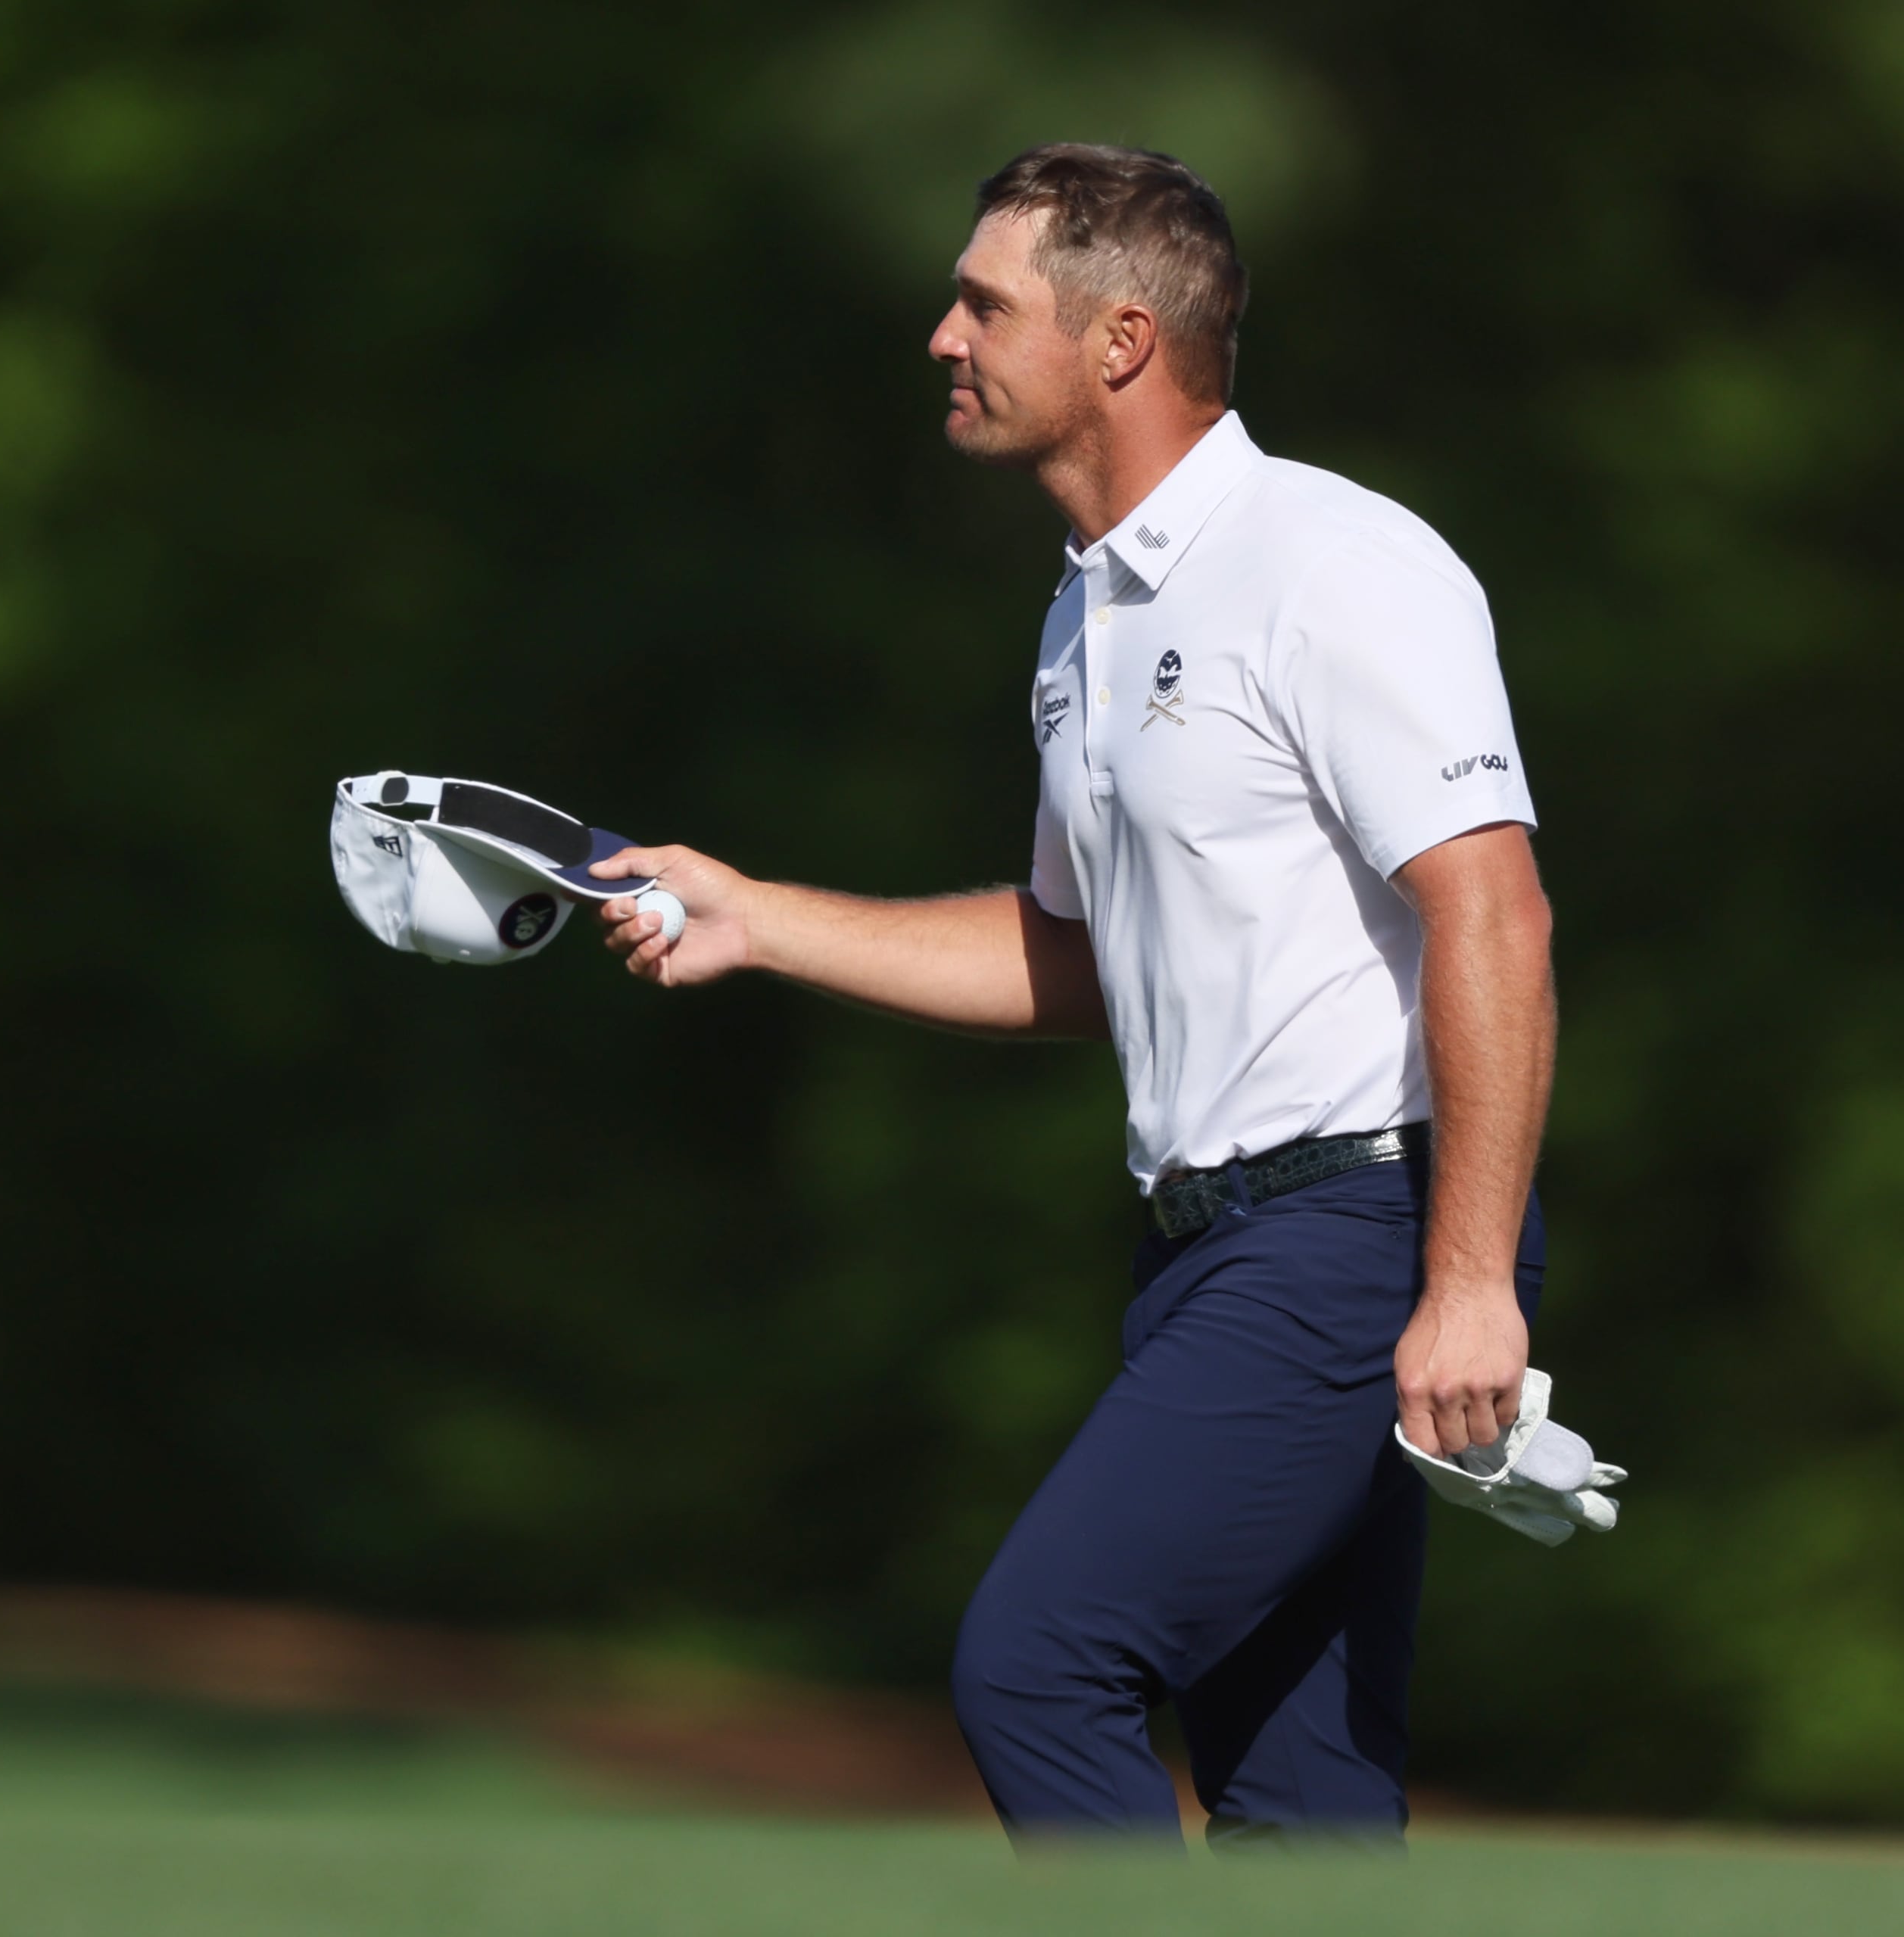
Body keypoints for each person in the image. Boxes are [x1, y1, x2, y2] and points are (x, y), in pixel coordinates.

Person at [589, 143, 1553, 1846]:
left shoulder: (1335, 560)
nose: (940, 335)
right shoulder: (1084, 618)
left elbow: (1496, 911)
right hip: (1202, 1254)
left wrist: (1470, 1275)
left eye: (983, 302)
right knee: (1305, 1804)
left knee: (1040, 1658)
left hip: (1352, 1235)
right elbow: (1077, 958)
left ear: (1119, 340)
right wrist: (759, 916)